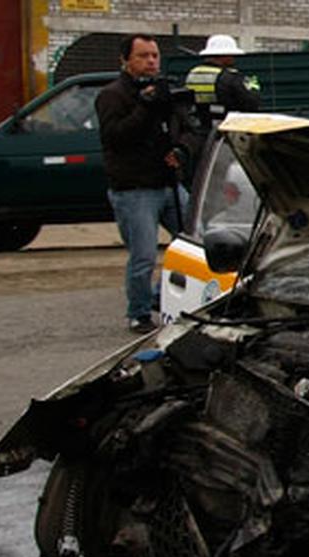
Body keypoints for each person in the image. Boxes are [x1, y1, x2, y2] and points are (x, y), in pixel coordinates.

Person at [96, 33, 198, 334]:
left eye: (154, 55)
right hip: (134, 188)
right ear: (125, 60)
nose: (151, 61)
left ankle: (162, 296)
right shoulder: (113, 95)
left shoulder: (168, 92)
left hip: (169, 183)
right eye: (143, 56)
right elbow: (116, 137)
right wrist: (145, 106)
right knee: (143, 256)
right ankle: (139, 312)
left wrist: (182, 150)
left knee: (198, 242)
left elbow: (190, 129)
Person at [184, 34, 261, 135]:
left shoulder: (192, 74)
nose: (233, 59)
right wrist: (253, 85)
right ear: (224, 55)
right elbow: (251, 103)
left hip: (200, 131)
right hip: (227, 132)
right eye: (231, 55)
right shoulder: (229, 77)